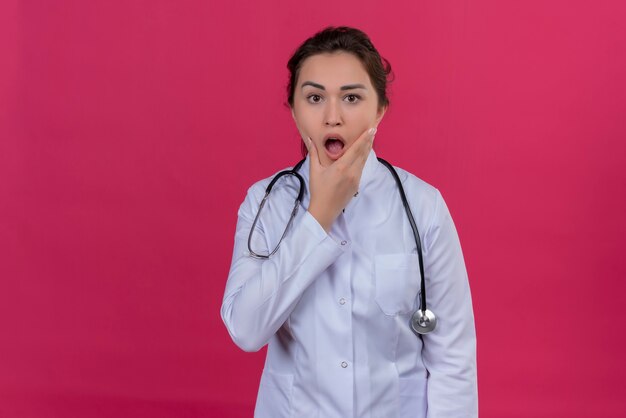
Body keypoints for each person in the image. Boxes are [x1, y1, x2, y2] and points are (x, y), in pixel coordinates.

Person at [221, 26, 477, 417]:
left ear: (379, 110)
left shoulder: (423, 206)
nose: (332, 116)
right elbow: (246, 329)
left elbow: (453, 359)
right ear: (293, 108)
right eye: (314, 97)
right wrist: (318, 215)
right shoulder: (267, 202)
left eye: (352, 97)